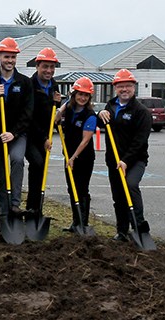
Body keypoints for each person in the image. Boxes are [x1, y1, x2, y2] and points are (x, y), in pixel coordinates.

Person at [96, 68, 152, 241]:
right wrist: (100, 114)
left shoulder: (141, 111)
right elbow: (101, 124)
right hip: (114, 160)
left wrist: (126, 160)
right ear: (115, 88)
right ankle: (122, 231)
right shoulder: (110, 106)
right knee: (118, 196)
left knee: (130, 185)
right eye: (121, 86)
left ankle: (139, 226)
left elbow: (140, 141)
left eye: (128, 86)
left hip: (135, 160)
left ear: (134, 88)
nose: (124, 89)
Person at [0, 38, 32, 225]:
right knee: (0, 174)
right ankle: (3, 215)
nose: (10, 60)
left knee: (17, 160)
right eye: (6, 56)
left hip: (17, 134)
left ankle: (14, 204)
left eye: (13, 57)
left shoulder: (24, 82)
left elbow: (27, 113)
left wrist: (13, 132)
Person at [24, 48, 63, 216]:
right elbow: (29, 116)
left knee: (42, 169)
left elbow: (52, 114)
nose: (49, 70)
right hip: (29, 135)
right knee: (37, 164)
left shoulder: (54, 85)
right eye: (45, 66)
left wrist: (58, 108)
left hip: (44, 136)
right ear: (37, 66)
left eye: (52, 67)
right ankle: (31, 207)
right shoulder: (29, 86)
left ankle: (37, 209)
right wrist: (43, 138)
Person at [55, 77, 97, 231]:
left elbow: (85, 141)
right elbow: (55, 119)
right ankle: (75, 223)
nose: (82, 98)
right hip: (69, 156)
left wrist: (73, 157)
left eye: (86, 95)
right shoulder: (70, 110)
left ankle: (83, 223)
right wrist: (63, 106)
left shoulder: (90, 115)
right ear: (74, 94)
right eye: (79, 94)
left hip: (84, 158)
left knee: (81, 188)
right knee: (71, 189)